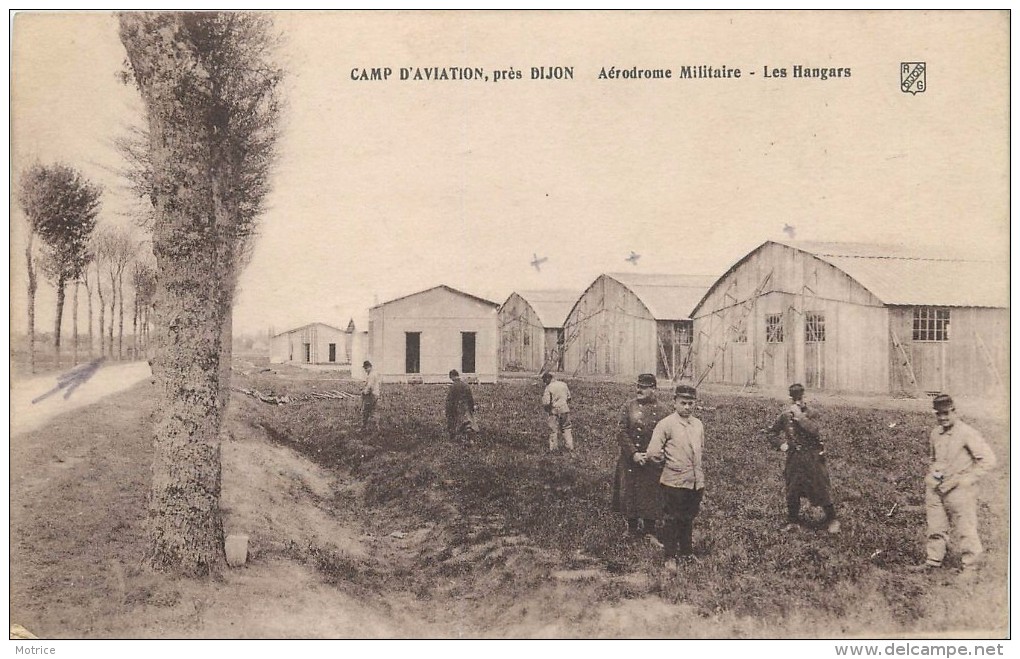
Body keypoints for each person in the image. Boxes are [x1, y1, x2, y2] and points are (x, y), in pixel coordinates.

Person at [910, 393, 997, 574]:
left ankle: (970, 566)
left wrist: (965, 480)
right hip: (936, 487)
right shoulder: (935, 433)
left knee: (965, 527)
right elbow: (933, 458)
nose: (942, 418)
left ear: (954, 411)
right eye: (938, 414)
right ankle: (933, 561)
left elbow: (988, 460)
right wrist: (932, 474)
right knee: (935, 525)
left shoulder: (967, 433)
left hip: (959, 489)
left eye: (946, 413)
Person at [636, 384, 705, 574]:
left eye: (691, 403)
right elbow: (652, 452)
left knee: (688, 517)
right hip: (673, 481)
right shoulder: (666, 424)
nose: (687, 407)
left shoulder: (697, 424)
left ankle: (686, 552)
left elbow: (700, 449)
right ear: (674, 402)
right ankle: (670, 556)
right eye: (683, 403)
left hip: (695, 480)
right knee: (672, 519)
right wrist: (667, 467)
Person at [766, 383, 840, 534]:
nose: (798, 401)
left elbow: (815, 430)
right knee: (793, 488)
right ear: (791, 398)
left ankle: (832, 519)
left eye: (800, 397)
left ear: (804, 397)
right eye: (795, 398)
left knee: (820, 487)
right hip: (794, 457)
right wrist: (781, 445)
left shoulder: (812, 413)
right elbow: (771, 433)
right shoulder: (786, 415)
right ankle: (793, 520)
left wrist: (799, 416)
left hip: (812, 456)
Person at [612, 373, 670, 545]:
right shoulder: (628, 407)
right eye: (638, 386)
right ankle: (631, 528)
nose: (639, 390)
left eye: (644, 387)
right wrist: (634, 454)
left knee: (650, 493)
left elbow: (668, 437)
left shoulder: (664, 411)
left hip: (652, 462)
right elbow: (621, 432)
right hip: (631, 460)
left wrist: (655, 455)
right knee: (630, 492)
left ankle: (650, 530)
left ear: (654, 389)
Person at [541, 372, 573, 452]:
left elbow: (546, 402)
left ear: (548, 379)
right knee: (566, 428)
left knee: (553, 430)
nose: (545, 383)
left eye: (545, 380)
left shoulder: (548, 387)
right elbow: (569, 397)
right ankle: (569, 447)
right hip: (565, 409)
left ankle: (553, 449)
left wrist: (547, 409)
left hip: (554, 411)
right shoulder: (563, 384)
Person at [445, 369, 478, 443]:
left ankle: (457, 439)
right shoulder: (465, 385)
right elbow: (470, 398)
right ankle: (469, 438)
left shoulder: (453, 387)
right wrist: (471, 407)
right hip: (466, 408)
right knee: (467, 423)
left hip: (456, 408)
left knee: (456, 424)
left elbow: (449, 401)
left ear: (452, 377)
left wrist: (448, 411)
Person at [360, 360, 381, 431]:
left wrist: (364, 392)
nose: (365, 370)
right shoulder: (374, 373)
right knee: (374, 411)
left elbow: (370, 386)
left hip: (371, 395)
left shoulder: (371, 375)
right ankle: (376, 428)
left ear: (369, 367)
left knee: (365, 411)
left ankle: (364, 427)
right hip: (376, 394)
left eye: (366, 368)